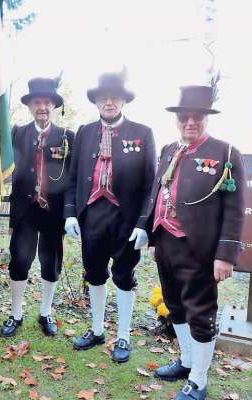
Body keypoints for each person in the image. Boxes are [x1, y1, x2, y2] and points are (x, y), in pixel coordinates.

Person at [140, 85, 245, 400]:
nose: (190, 122)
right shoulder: (169, 150)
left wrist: (225, 255)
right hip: (165, 242)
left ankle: (198, 380)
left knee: (200, 312)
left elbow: (235, 209)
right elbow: (157, 192)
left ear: (205, 118)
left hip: (199, 248)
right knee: (174, 305)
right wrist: (147, 229)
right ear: (177, 119)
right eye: (184, 117)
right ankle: (187, 362)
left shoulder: (225, 154)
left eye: (196, 117)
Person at [64, 72, 156, 363]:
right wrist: (69, 214)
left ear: (123, 100)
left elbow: (151, 185)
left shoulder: (142, 133)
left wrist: (144, 224)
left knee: (124, 276)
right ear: (96, 101)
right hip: (92, 216)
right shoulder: (85, 132)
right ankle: (97, 329)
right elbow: (72, 177)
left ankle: (124, 335)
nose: (109, 102)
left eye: (115, 96)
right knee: (94, 274)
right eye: (103, 97)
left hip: (126, 220)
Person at [0, 77, 74, 338]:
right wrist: (9, 221)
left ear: (53, 106)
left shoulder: (67, 137)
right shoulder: (16, 133)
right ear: (30, 106)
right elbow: (5, 171)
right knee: (19, 261)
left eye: (47, 102)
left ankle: (45, 312)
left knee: (50, 263)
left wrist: (68, 215)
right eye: (37, 102)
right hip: (24, 212)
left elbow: (72, 179)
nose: (42, 107)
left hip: (53, 213)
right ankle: (16, 314)